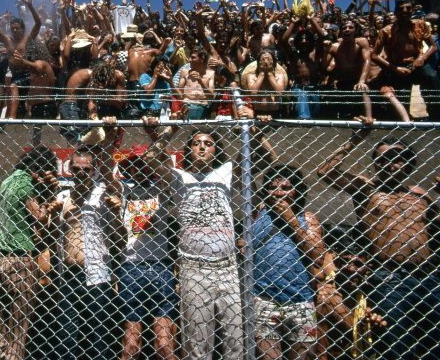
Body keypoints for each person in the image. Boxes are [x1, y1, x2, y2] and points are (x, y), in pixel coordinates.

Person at [142, 103, 265, 360]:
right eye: (197, 143)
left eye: (208, 143)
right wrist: (172, 129)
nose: (202, 147)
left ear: (216, 150)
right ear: (189, 150)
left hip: (228, 266)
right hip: (194, 268)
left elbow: (259, 158)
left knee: (235, 339)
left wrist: (254, 129)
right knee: (197, 342)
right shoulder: (179, 178)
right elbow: (151, 159)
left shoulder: (224, 172)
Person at [317, 130, 440, 359]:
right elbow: (326, 172)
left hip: (428, 275)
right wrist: (357, 137)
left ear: (408, 163)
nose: (390, 164)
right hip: (390, 276)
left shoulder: (421, 195)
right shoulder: (367, 188)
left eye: (396, 158)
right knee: (397, 344)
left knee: (434, 342)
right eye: (383, 159)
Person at [51, 120, 124, 359]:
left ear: (93, 172)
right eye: (77, 169)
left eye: (87, 170)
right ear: (70, 170)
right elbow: (52, 238)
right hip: (69, 276)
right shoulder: (62, 198)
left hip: (97, 274)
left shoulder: (103, 196)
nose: (82, 173)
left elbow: (120, 236)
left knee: (99, 337)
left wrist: (110, 133)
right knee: (67, 336)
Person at [0, 146, 62, 360]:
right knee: (19, 326)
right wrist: (50, 203)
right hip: (21, 259)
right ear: (38, 170)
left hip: (2, 259)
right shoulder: (25, 184)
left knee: (1, 324)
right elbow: (38, 216)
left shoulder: (7, 181)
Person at [252, 165, 325, 359]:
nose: (278, 193)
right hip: (264, 298)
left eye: (285, 188)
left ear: (297, 190)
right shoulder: (259, 213)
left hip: (300, 300)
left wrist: (290, 219)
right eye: (272, 187)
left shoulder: (306, 217)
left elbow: (318, 254)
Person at [117, 146, 178, 360]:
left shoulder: (161, 188)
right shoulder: (124, 191)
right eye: (135, 165)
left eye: (144, 164)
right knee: (131, 343)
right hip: (132, 265)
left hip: (160, 264)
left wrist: (156, 151)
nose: (139, 169)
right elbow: (108, 175)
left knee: (164, 342)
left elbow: (167, 172)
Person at [372, 0, 438, 121]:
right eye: (401, 9)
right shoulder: (386, 31)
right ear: (396, 12)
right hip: (397, 67)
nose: (405, 11)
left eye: (408, 8)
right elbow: (374, 55)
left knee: (431, 77)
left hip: (418, 64)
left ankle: (435, 117)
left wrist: (422, 58)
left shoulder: (421, 24)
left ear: (412, 10)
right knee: (401, 99)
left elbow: (434, 47)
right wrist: (394, 68)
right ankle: (405, 124)